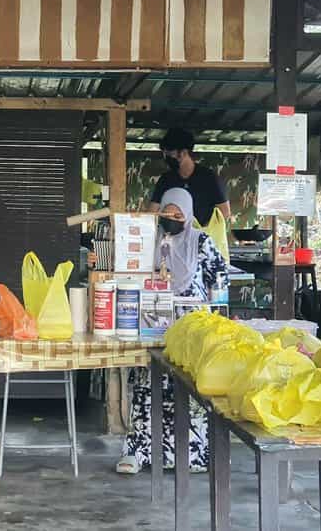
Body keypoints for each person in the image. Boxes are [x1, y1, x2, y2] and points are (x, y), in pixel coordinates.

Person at [117, 188, 230, 475]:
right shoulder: (146, 241)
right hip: (152, 325)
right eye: (167, 212)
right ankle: (138, 452)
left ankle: (192, 456)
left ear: (188, 214)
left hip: (191, 332)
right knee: (147, 386)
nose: (173, 218)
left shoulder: (200, 242)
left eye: (179, 213)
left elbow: (220, 280)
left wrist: (216, 317)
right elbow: (126, 271)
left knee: (188, 390)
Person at [148, 128, 232, 258]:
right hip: (174, 245)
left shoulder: (209, 178)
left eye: (169, 153)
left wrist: (199, 229)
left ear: (183, 153)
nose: (166, 157)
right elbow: (151, 213)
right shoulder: (166, 179)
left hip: (203, 246)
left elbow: (224, 213)